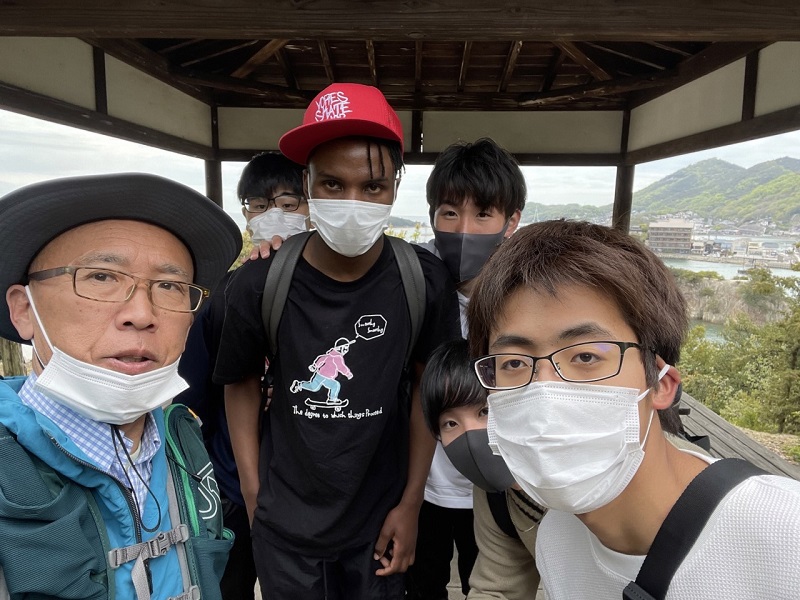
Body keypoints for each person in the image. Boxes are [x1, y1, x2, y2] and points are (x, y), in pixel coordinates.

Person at [213, 82, 461, 599]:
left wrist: (411, 503)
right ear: (307, 184)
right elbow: (240, 384)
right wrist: (255, 497)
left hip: (379, 523)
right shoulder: (259, 282)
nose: (352, 204)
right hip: (285, 525)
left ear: (395, 186)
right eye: (332, 184)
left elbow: (427, 388)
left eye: (372, 187)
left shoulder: (423, 280)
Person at [468, 220, 800, 599]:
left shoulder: (786, 535)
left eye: (586, 356)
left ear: (660, 383)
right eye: (513, 363)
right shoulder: (556, 541)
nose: (544, 392)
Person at [0, 173, 242, 600]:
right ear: (24, 310)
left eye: (169, 286)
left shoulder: (181, 440)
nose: (142, 314)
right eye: (101, 277)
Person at [177, 152, 307, 600]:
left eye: (289, 203)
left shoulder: (335, 293)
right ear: (246, 214)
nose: (274, 215)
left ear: (311, 206)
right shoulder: (223, 296)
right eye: (258, 204)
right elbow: (192, 398)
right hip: (233, 488)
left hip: (313, 492)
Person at [407, 137, 524, 599]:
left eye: (483, 214)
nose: (464, 229)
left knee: (490, 584)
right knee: (421, 586)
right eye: (450, 212)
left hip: (501, 485)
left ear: (511, 221)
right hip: (421, 485)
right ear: (433, 214)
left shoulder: (528, 294)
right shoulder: (410, 279)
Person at [419, 338, 544, 600]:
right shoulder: (494, 497)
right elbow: (497, 587)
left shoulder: (581, 474)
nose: (471, 436)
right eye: (451, 423)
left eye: (484, 411)